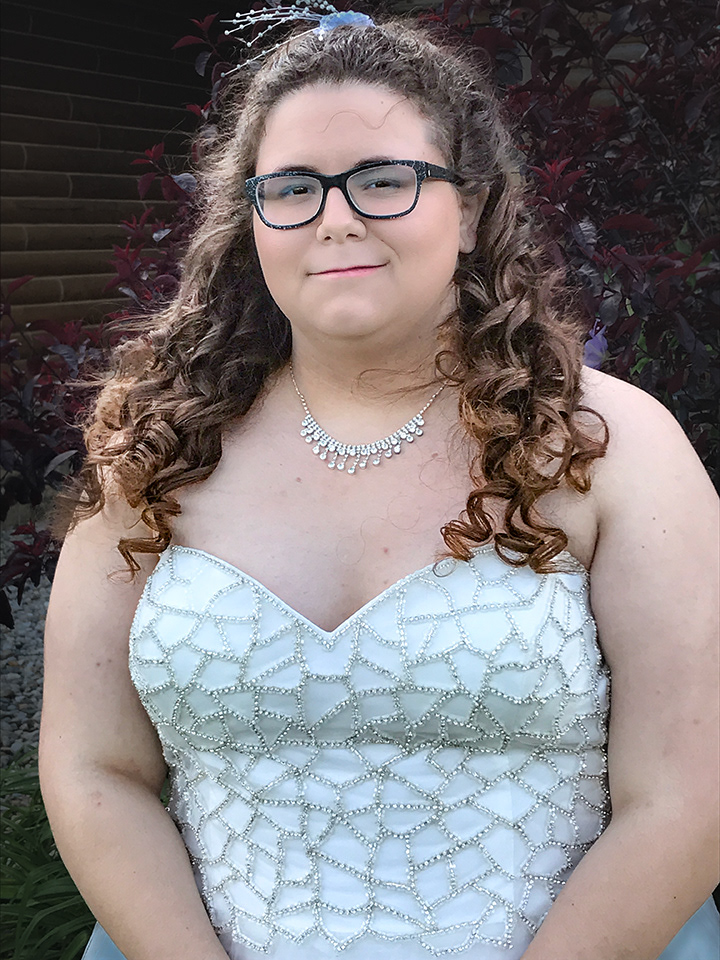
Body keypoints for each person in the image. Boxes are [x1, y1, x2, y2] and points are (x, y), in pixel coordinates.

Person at [38, 8, 719, 960]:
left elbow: (686, 794)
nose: (336, 218)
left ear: (471, 209)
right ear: (251, 219)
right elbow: (93, 768)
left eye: (384, 179)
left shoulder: (613, 446)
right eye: (292, 188)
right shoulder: (155, 453)